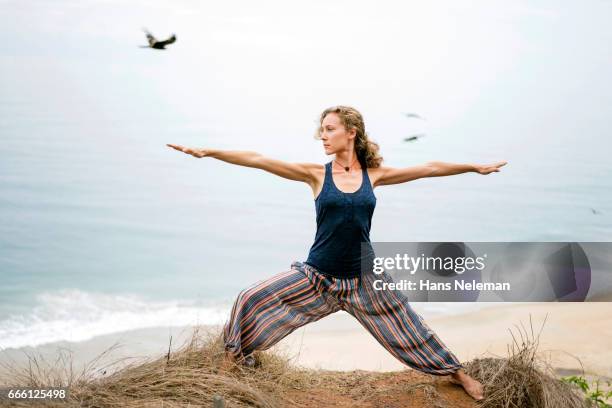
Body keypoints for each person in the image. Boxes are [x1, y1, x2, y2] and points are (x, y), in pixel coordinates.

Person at [167, 105, 507, 401]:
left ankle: (457, 373)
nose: (323, 136)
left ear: (351, 133)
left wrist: (474, 167)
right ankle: (230, 367)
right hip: (317, 277)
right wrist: (208, 151)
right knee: (249, 298)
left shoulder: (376, 176)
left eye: (329, 130)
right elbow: (259, 160)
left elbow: (430, 168)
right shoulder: (316, 174)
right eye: (322, 130)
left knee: (410, 328)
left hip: (364, 280)